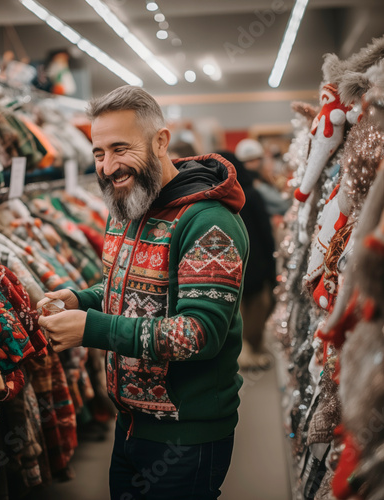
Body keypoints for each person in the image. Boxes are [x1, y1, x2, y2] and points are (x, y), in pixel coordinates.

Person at [37, 85, 249, 500]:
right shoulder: (129, 206)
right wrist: (81, 299)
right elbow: (127, 291)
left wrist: (90, 328)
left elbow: (198, 333)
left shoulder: (208, 223)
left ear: (160, 142)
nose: (108, 166)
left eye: (120, 148)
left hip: (186, 438)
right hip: (130, 424)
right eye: (99, 153)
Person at [218, 151, 277, 370]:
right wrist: (272, 270)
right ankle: (253, 352)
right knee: (256, 312)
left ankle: (243, 354)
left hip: (230, 268)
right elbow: (265, 234)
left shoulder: (215, 199)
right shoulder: (251, 193)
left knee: (237, 313)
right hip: (256, 265)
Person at [234, 138, 291, 217]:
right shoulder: (256, 185)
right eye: (248, 161)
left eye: (254, 160)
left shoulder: (262, 180)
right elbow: (282, 206)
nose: (252, 164)